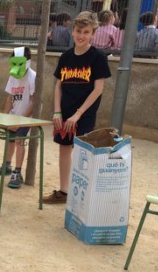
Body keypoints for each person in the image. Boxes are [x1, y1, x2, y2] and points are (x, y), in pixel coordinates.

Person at [45, 11, 111, 204]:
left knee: (83, 153)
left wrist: (78, 114)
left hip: (84, 114)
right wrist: (57, 111)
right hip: (65, 112)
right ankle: (64, 191)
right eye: (78, 31)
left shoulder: (98, 57)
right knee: (64, 150)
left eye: (86, 32)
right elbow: (58, 86)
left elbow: (98, 89)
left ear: (93, 34)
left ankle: (82, 196)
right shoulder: (65, 57)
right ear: (72, 31)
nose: (81, 35)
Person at [0, 47, 36, 189]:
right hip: (13, 116)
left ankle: (17, 172)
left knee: (19, 141)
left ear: (27, 62)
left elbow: (34, 102)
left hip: (26, 117)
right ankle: (7, 165)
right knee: (10, 140)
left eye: (20, 63)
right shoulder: (12, 76)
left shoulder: (33, 77)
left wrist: (22, 121)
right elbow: (10, 98)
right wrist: (5, 118)